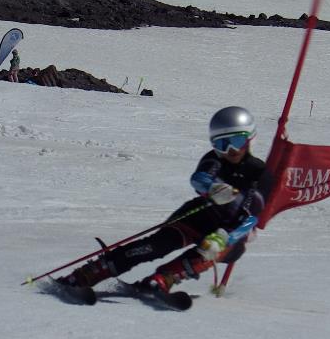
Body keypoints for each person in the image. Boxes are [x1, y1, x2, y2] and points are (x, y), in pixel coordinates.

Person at [58, 106, 267, 293]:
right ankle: (91, 273)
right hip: (197, 216)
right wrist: (211, 188)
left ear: (250, 139)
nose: (231, 150)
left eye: (237, 141)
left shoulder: (259, 172)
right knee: (155, 246)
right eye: (222, 144)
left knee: (214, 251)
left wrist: (225, 237)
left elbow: (254, 214)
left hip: (227, 229)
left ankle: (164, 279)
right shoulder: (214, 160)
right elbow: (199, 178)